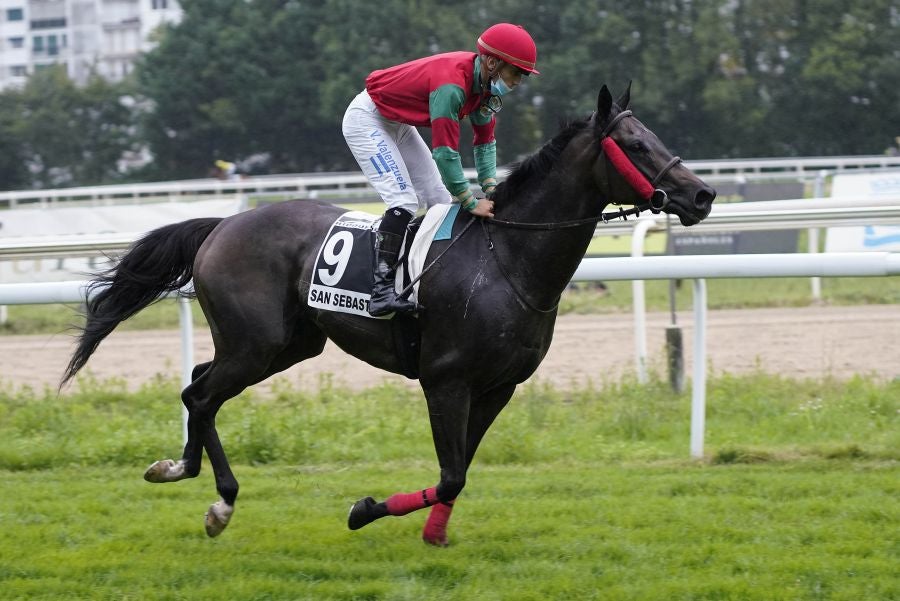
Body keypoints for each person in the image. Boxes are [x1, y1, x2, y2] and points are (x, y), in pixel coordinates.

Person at [342, 23, 539, 316]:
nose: (518, 82)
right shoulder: (452, 87)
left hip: (398, 123)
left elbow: (484, 142)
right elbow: (445, 153)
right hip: (367, 119)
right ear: (492, 62)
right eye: (516, 73)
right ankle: (380, 291)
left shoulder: (485, 89)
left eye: (523, 76)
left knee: (439, 200)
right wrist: (471, 201)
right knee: (405, 201)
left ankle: (426, 277)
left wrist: (491, 187)